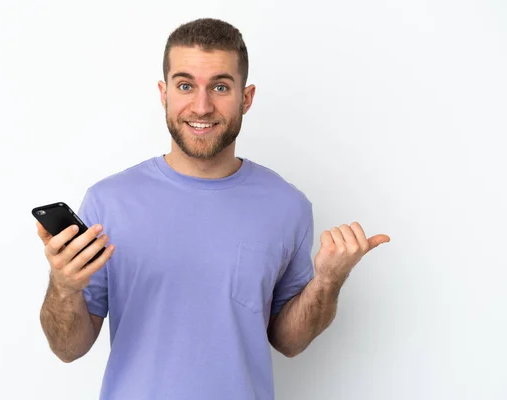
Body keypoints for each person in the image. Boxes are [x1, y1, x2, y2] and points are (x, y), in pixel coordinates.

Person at [37, 17, 390, 400]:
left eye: (220, 86)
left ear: (246, 97)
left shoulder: (287, 206)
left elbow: (289, 342)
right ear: (164, 93)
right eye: (186, 85)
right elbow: (68, 348)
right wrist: (63, 286)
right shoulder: (109, 201)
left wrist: (327, 282)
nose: (201, 106)